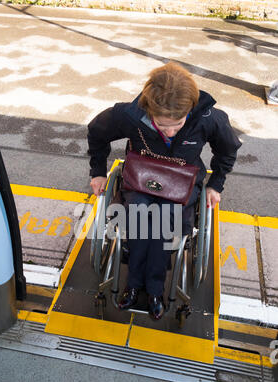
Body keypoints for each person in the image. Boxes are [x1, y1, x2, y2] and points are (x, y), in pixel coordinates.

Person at [88, 62, 241, 320]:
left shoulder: (208, 118)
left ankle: (153, 289)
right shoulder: (130, 115)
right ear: (150, 110)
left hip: (182, 182)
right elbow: (96, 131)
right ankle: (135, 285)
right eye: (162, 124)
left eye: (177, 124)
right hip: (142, 177)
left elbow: (227, 149)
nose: (170, 131)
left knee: (163, 219)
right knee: (138, 215)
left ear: (190, 109)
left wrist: (216, 185)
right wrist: (98, 172)